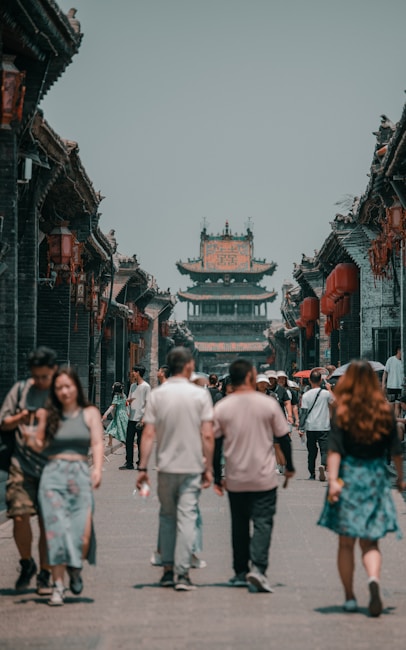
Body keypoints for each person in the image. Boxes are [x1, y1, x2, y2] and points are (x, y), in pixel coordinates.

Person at [318, 360, 405, 617]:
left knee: (346, 544)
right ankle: (374, 580)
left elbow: (334, 449)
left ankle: (349, 597)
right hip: (375, 479)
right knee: (370, 543)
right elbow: (396, 452)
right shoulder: (383, 411)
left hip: (348, 478)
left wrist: (333, 480)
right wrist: (400, 479)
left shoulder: (342, 411)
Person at [213, 359, 295, 592]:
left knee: (239, 525)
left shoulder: (223, 407)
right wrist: (289, 466)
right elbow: (283, 438)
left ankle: (240, 572)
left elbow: (216, 445)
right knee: (262, 523)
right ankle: (258, 568)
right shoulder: (268, 404)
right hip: (264, 477)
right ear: (250, 377)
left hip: (235, 477)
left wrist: (216, 478)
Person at [136, 346, 214, 591]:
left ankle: (167, 570)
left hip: (165, 467)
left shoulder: (158, 395)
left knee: (167, 517)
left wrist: (142, 468)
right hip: (191, 466)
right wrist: (209, 467)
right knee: (187, 517)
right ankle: (182, 574)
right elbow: (208, 435)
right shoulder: (200, 395)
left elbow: (148, 433)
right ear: (189, 366)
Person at [36, 366, 104, 606]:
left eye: (68, 386)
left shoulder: (90, 413)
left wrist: (96, 469)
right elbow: (39, 444)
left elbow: (97, 442)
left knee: (81, 534)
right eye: (59, 388)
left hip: (79, 475)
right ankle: (58, 586)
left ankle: (75, 567)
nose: (64, 391)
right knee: (55, 532)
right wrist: (30, 437)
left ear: (76, 386)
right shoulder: (48, 414)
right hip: (52, 476)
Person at [0, 346, 57, 594]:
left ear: (54, 371)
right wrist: (22, 417)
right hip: (21, 466)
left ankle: (45, 574)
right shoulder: (21, 390)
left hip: (53, 469)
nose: (41, 382)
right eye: (37, 376)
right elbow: (4, 422)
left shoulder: (62, 393)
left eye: (45, 376)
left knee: (47, 524)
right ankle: (27, 563)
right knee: (19, 515)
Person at [299, 369, 334, 481]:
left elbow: (303, 413)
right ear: (320, 380)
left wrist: (301, 428)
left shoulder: (306, 395)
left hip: (310, 427)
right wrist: (329, 389)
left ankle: (312, 473)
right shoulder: (326, 394)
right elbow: (336, 401)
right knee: (324, 450)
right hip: (324, 426)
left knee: (311, 451)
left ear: (310, 380)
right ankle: (323, 465)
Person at [120, 364, 151, 470]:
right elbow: (128, 400)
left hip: (141, 419)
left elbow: (148, 404)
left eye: (134, 371)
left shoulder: (146, 387)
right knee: (129, 441)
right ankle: (129, 462)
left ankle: (141, 462)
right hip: (131, 418)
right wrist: (127, 403)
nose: (132, 373)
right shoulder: (133, 386)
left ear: (138, 373)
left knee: (140, 442)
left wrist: (144, 418)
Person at [102, 381, 128, 447]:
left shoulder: (116, 396)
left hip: (119, 414)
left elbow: (112, 406)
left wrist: (105, 414)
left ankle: (130, 444)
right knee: (116, 428)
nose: (112, 386)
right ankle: (110, 443)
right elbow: (126, 405)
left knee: (120, 430)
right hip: (124, 413)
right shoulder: (123, 395)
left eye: (113, 385)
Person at [382, 347, 402, 418]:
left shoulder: (403, 361)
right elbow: (385, 372)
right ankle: (391, 420)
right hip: (391, 386)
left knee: (398, 406)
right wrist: (383, 383)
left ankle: (396, 421)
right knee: (391, 405)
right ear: (398, 351)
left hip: (400, 387)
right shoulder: (390, 360)